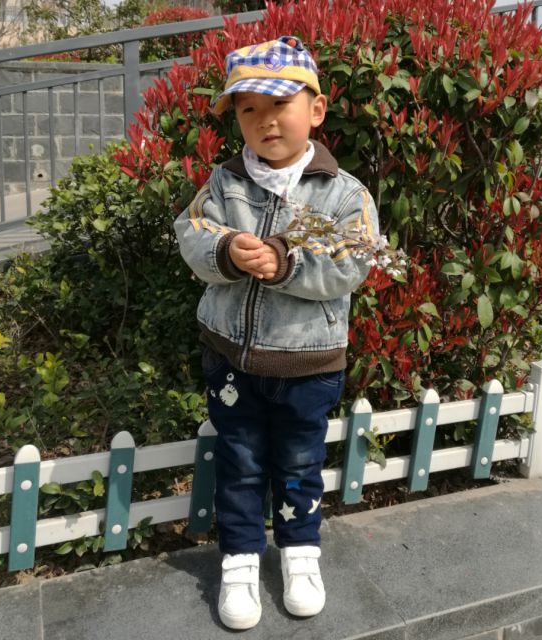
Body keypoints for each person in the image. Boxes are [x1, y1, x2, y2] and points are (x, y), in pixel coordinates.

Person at [174, 35, 379, 630]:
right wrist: (225, 250)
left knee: (299, 464)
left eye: (279, 104)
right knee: (237, 461)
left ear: (316, 110)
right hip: (231, 360)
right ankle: (239, 559)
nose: (265, 120)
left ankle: (299, 554)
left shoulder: (345, 193)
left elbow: (354, 263)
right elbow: (191, 233)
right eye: (248, 108)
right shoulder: (224, 183)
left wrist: (288, 262)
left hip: (308, 363)